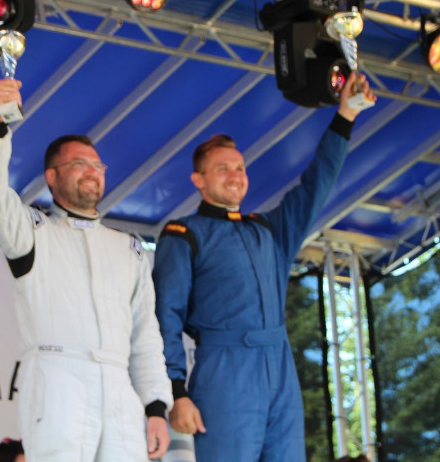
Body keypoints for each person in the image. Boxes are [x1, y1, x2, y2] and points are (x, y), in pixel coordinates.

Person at [153, 73, 374, 462]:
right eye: (223, 169)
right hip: (225, 369)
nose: (235, 176)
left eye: (240, 168)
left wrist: (345, 117)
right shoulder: (184, 233)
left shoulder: (268, 229)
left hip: (280, 366)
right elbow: (165, 317)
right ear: (198, 180)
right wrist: (176, 391)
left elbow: (315, 186)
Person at [0, 78, 173, 461]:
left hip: (120, 389)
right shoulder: (32, 232)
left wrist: (156, 407)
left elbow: (145, 336)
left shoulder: (128, 249)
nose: (91, 171)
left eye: (97, 165)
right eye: (79, 164)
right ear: (52, 175)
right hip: (57, 380)